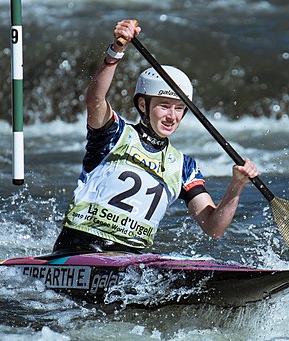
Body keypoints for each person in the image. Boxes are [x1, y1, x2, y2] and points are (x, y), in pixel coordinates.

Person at [52, 19, 259, 255]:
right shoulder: (114, 134)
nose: (172, 116)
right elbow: (95, 100)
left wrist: (236, 186)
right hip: (78, 249)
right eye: (164, 106)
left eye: (179, 108)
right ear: (143, 104)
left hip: (129, 260)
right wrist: (116, 51)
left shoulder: (184, 167)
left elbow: (213, 227)